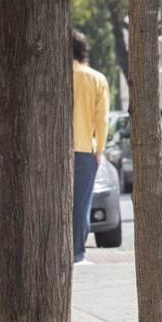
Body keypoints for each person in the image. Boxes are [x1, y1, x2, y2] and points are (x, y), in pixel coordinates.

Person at [72, 30, 110, 265]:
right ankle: (77, 253)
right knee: (81, 203)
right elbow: (102, 119)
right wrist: (100, 151)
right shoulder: (96, 79)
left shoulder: (52, 75)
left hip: (53, 151)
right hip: (85, 149)